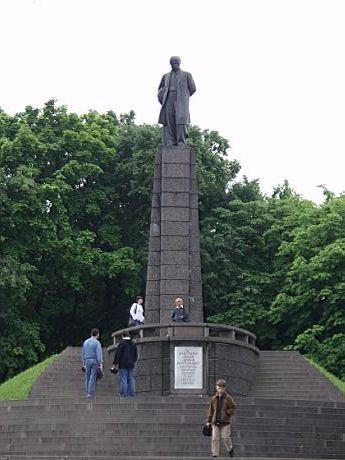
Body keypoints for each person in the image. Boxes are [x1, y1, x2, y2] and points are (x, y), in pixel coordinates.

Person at [158, 56, 196, 147]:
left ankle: (181, 143)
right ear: (170, 63)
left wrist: (184, 97)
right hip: (168, 100)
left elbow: (193, 88)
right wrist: (163, 97)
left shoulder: (187, 75)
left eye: (176, 62)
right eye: (173, 62)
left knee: (181, 122)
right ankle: (170, 143)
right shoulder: (166, 76)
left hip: (181, 102)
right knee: (169, 121)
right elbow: (160, 89)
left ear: (179, 63)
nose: (175, 63)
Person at [206, 379, 237, 457]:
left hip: (225, 422)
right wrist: (208, 421)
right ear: (216, 387)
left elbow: (233, 408)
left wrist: (227, 412)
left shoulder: (228, 398)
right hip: (215, 421)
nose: (220, 390)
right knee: (214, 438)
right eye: (219, 388)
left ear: (225, 388)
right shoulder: (213, 399)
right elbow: (211, 410)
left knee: (225, 437)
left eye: (222, 388)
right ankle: (215, 453)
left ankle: (230, 449)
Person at [112, 331, 138, 398]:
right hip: (131, 364)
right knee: (131, 379)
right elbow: (136, 355)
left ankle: (123, 394)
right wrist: (133, 361)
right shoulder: (133, 343)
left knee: (123, 379)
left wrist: (115, 363)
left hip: (123, 364)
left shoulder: (122, 343)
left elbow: (118, 354)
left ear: (122, 336)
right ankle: (131, 394)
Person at [81, 328, 103, 399]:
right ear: (98, 334)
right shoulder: (97, 342)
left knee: (87, 377)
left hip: (87, 360)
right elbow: (99, 354)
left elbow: (83, 353)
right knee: (93, 377)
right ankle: (90, 393)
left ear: (91, 334)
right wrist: (100, 363)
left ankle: (87, 392)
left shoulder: (86, 342)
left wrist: (83, 363)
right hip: (94, 360)